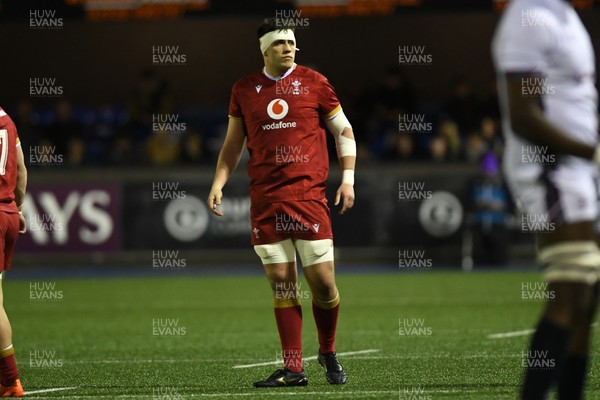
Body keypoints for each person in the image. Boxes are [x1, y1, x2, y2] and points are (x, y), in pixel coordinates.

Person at [207, 18, 356, 387]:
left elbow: (344, 130)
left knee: (323, 284)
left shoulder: (314, 82)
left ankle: (328, 350)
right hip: (267, 199)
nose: (288, 48)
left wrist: (348, 179)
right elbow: (232, 144)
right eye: (280, 44)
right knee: (282, 283)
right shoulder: (244, 89)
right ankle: (293, 368)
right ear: (264, 50)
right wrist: (218, 183)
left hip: (308, 196)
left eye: (292, 43)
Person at [493, 1, 599, 398]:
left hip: (581, 168)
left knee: (587, 297)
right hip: (548, 168)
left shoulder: (566, 15)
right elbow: (522, 113)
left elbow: (576, 102)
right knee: (568, 293)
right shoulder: (527, 16)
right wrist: (591, 152)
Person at [0, 107, 28, 397]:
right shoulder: (7, 119)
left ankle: (10, 379)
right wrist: (17, 208)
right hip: (7, 213)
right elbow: (20, 169)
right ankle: (8, 380)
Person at [470, 153, 509, 266]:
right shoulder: (474, 183)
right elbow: (468, 203)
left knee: (499, 259)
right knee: (479, 259)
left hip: (498, 227)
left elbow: (511, 205)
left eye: (492, 170)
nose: (489, 173)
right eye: (487, 170)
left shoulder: (503, 185)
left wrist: (501, 206)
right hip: (479, 227)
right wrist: (480, 205)